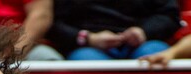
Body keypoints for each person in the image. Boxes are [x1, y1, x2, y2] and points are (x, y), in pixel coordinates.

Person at [47, 0, 181, 60]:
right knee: (86, 61)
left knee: (156, 55)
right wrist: (88, 38)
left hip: (143, 43)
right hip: (89, 47)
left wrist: (143, 32)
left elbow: (170, 15)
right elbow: (52, 22)